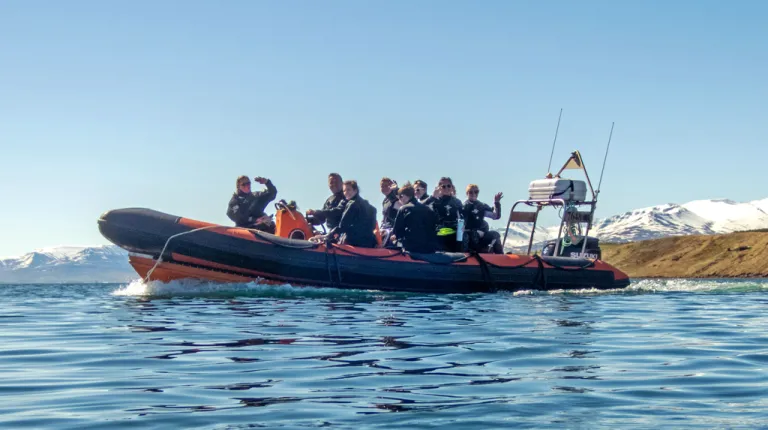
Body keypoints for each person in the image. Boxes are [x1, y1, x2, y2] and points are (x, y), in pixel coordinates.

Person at [321, 180, 377, 248]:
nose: (346, 193)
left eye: (348, 190)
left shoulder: (352, 203)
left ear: (355, 190)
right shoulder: (370, 207)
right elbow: (373, 226)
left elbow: (343, 225)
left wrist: (328, 236)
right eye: (344, 191)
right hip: (369, 242)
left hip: (354, 242)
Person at [390, 182, 438, 253]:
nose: (399, 200)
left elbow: (397, 232)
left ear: (404, 196)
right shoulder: (428, 209)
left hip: (411, 247)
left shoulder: (403, 209)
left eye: (400, 197)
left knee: (392, 240)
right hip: (428, 248)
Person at [425, 177, 464, 252]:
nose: (446, 188)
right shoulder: (434, 200)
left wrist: (462, 225)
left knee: (461, 234)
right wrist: (432, 197)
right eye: (443, 186)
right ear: (439, 188)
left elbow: (462, 217)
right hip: (439, 230)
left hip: (453, 230)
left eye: (448, 186)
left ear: (452, 187)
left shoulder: (457, 202)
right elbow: (420, 207)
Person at [463, 184, 504, 254]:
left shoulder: (481, 206)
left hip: (481, 233)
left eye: (476, 192)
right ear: (467, 193)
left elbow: (495, 216)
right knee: (472, 235)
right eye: (471, 192)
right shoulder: (462, 206)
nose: (473, 194)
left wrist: (496, 203)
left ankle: (501, 258)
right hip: (468, 233)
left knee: (495, 234)